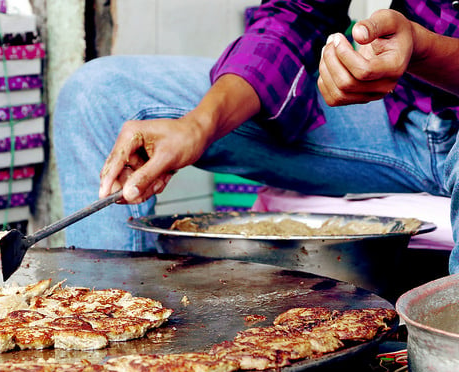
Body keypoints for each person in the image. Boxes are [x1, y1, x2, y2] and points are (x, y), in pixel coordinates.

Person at [53, 1, 459, 274]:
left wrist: (421, 48)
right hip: (400, 110)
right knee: (99, 95)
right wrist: (199, 125)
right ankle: (105, 332)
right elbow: (297, 13)